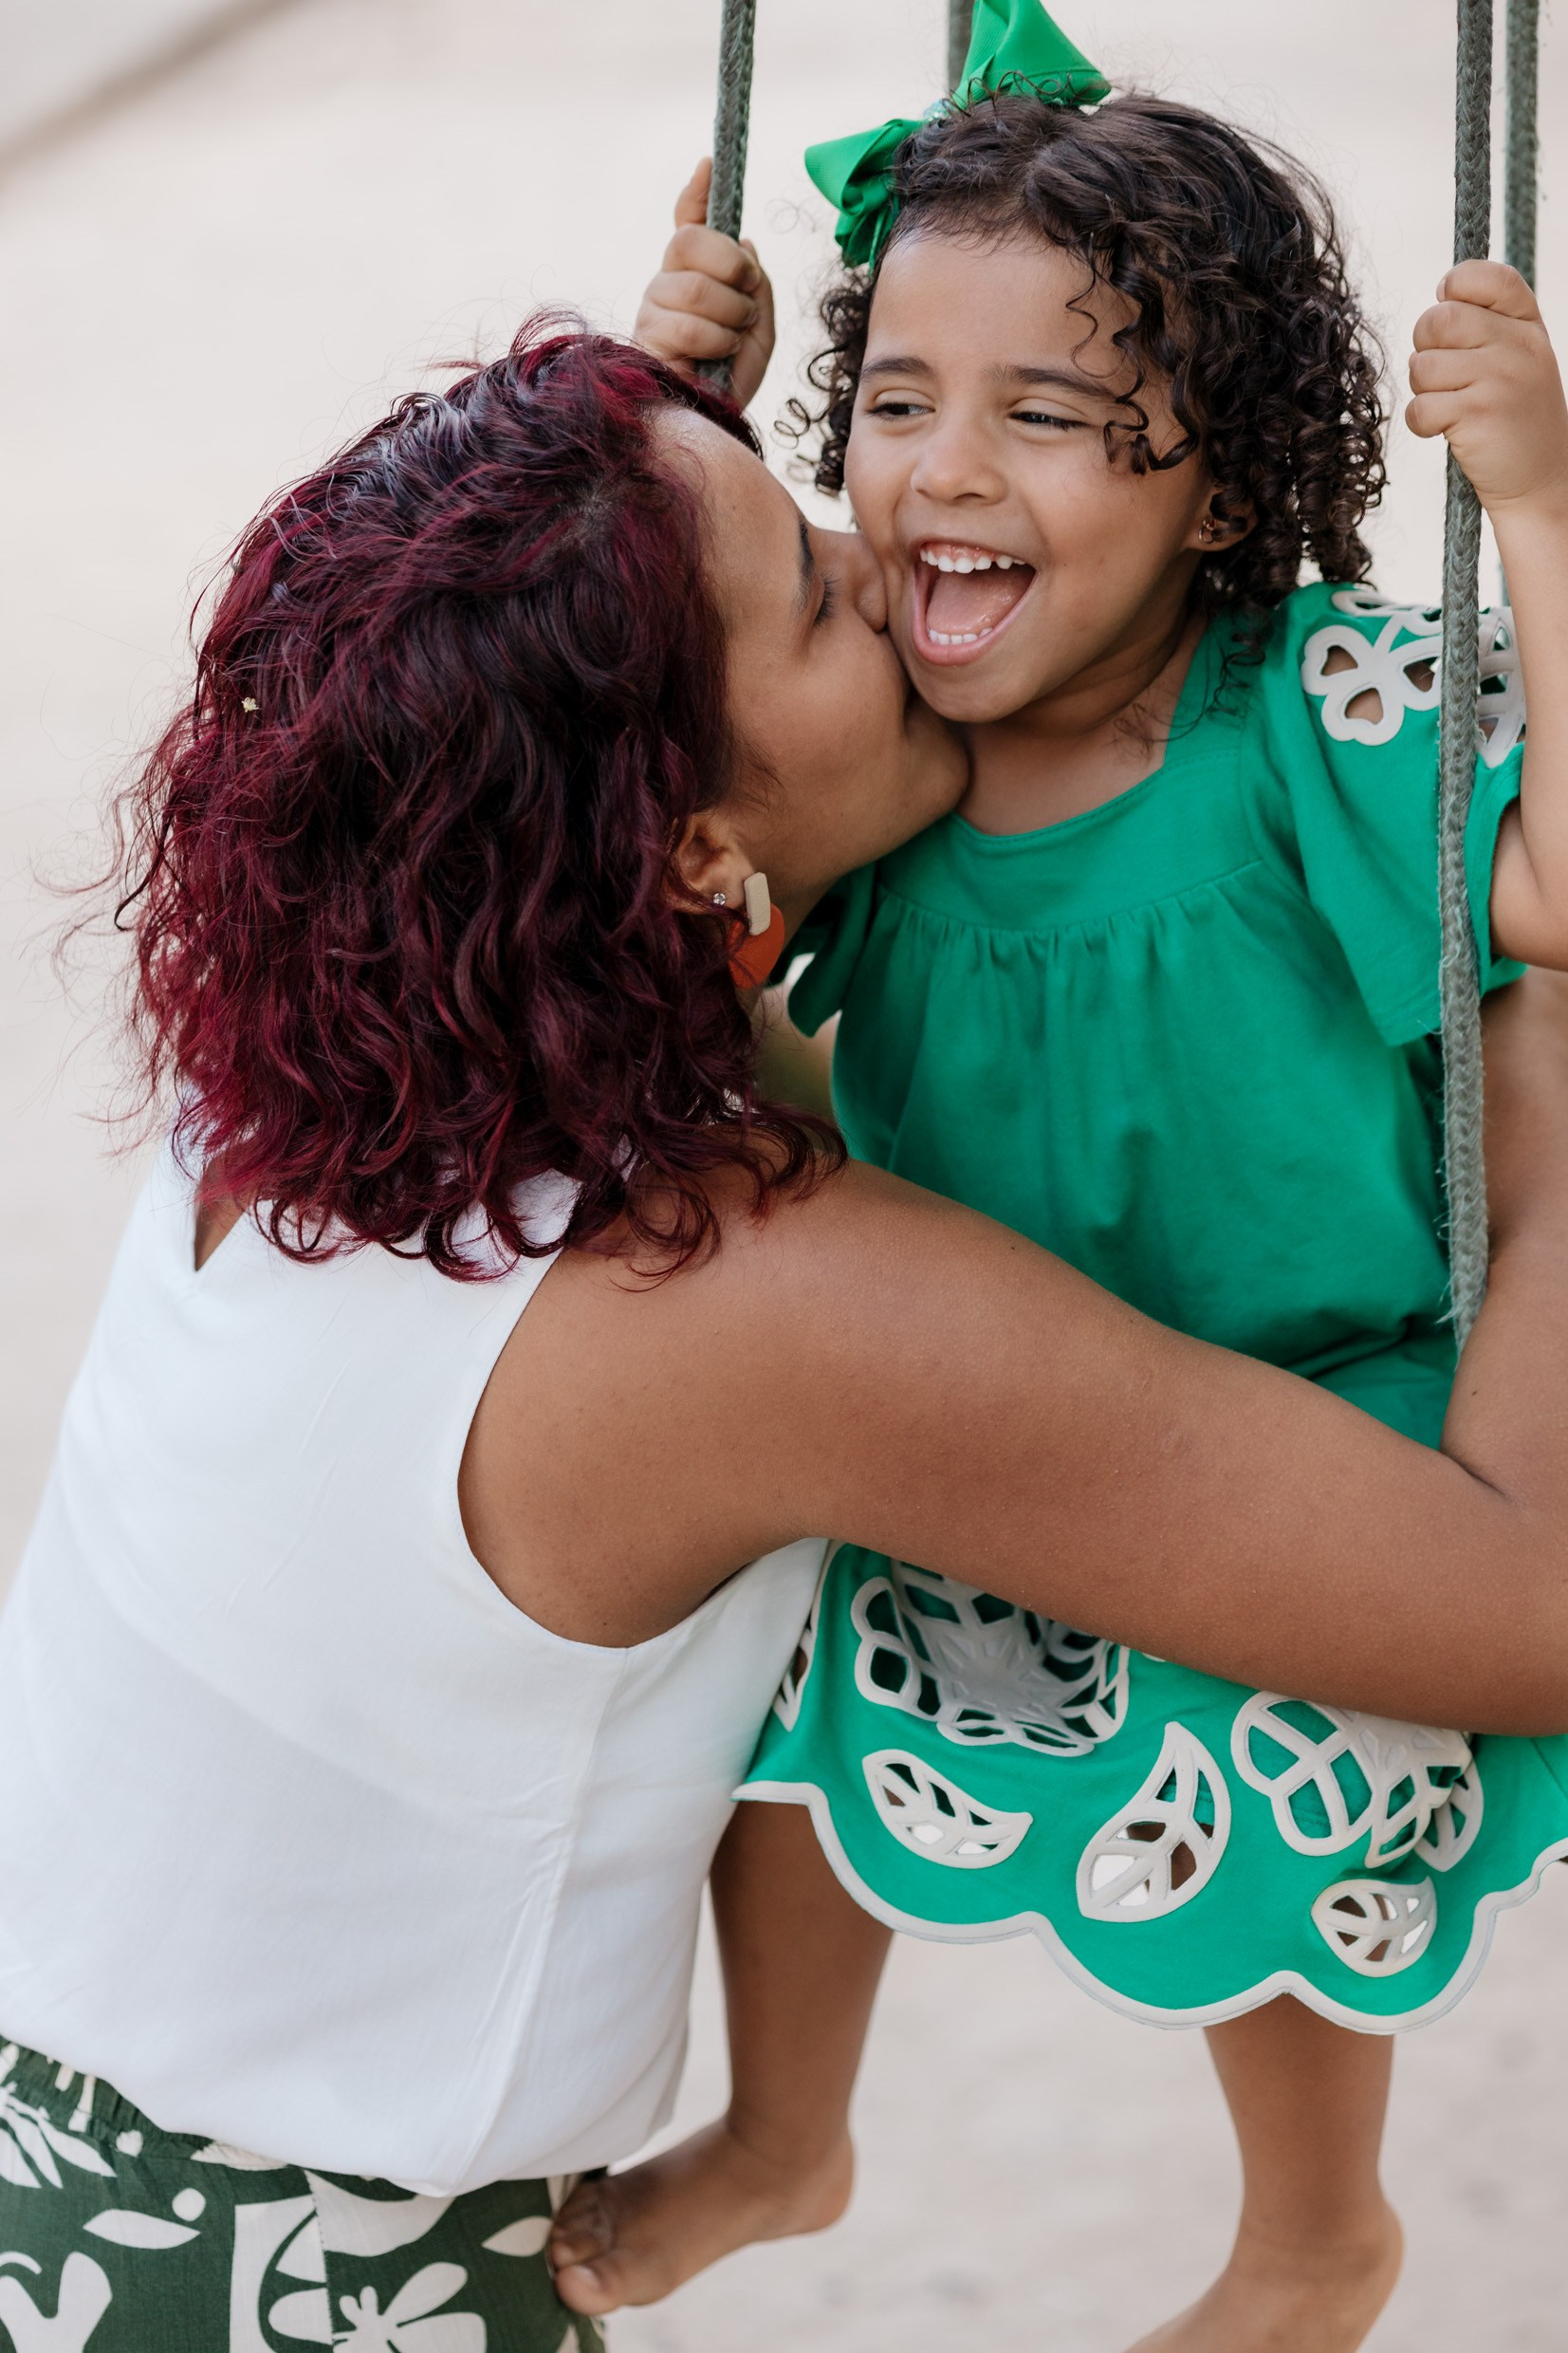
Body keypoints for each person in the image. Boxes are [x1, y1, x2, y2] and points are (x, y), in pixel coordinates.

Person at [4, 320, 1568, 2353]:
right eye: (822, 590)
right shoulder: (744, 1298)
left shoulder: (323, 1064)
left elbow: (505, 646)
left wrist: (646, 406)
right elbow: (1523, 1600)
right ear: (688, 849)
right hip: (274, 2295)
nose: (890, 551)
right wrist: (1532, 1067)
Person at [598, 6, 1568, 2346]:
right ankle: (781, 2130)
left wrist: (1535, 495)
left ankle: (1312, 2232)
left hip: (1315, 1395)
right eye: (896, 404)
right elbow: (620, 697)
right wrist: (666, 404)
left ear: (1217, 497)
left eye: (1047, 417)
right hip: (981, 1406)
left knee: (1290, 1762)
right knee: (760, 1661)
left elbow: (1551, 891)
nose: (942, 474)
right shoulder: (879, 743)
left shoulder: (1309, 711)